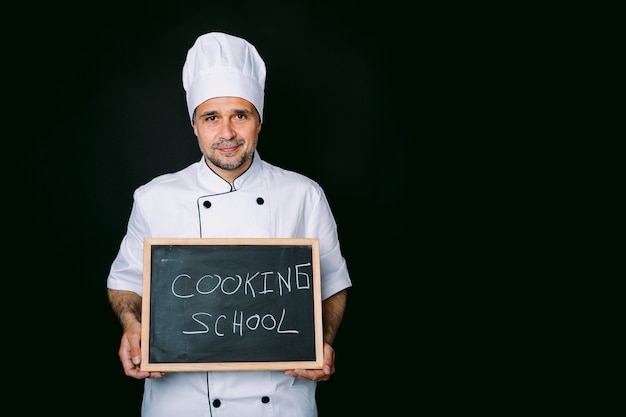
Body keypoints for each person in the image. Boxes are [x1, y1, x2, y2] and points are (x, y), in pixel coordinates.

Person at [106, 31, 352, 416]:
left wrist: (324, 339)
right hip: (180, 405)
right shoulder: (154, 198)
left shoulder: (303, 195)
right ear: (194, 126)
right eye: (211, 118)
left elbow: (333, 283)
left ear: (259, 122)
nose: (226, 134)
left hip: (281, 404)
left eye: (240, 115)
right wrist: (131, 325)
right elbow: (125, 283)